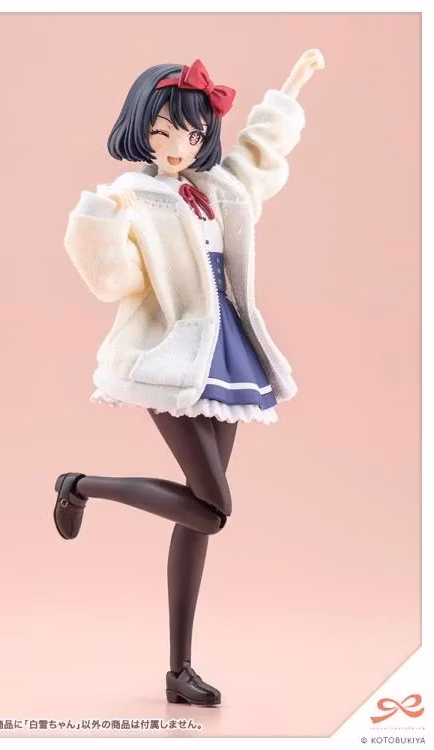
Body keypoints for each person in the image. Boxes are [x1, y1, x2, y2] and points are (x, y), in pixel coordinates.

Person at [54, 51, 324, 706]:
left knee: (201, 518)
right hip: (170, 354)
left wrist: (290, 90)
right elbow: (114, 281)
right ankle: (81, 486)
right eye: (164, 130)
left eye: (193, 132)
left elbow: (258, 153)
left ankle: (179, 671)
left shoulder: (219, 187)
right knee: (214, 509)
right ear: (141, 128)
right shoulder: (130, 197)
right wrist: (97, 222)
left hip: (227, 354)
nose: (179, 144)